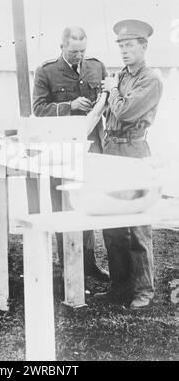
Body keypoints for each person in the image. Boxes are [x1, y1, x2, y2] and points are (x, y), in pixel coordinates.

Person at [32, 26, 109, 281]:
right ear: (62, 46)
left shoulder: (96, 67)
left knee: (86, 204)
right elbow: (39, 109)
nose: (79, 55)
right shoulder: (47, 71)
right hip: (61, 150)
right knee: (62, 206)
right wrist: (69, 105)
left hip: (90, 146)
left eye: (83, 50)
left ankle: (89, 262)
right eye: (74, 51)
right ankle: (66, 263)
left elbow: (107, 101)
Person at [97, 19, 163, 309]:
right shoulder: (121, 77)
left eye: (129, 45)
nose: (124, 51)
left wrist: (111, 91)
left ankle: (143, 290)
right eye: (121, 46)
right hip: (111, 149)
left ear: (143, 46)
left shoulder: (151, 79)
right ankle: (119, 286)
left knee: (137, 223)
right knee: (112, 222)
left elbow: (124, 112)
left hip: (135, 150)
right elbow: (109, 115)